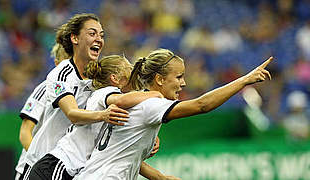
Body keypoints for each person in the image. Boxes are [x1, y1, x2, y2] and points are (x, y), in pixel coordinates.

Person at [75, 48, 274, 179]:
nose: (183, 83)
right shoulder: (151, 105)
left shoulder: (140, 101)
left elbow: (122, 156)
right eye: (178, 77)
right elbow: (202, 105)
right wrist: (244, 80)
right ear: (160, 80)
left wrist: (160, 177)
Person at [28, 54, 177, 180]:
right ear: (115, 78)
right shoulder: (106, 93)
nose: (133, 73)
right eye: (129, 69)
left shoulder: (116, 105)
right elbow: (121, 100)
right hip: (61, 165)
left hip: (72, 170)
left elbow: (124, 156)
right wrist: (155, 94)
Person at [21, 13, 129, 179]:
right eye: (92, 34)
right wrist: (103, 115)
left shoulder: (98, 78)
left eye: (101, 35)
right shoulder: (60, 74)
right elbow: (73, 114)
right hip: (44, 164)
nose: (99, 39)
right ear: (75, 38)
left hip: (75, 167)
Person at [15, 43, 70, 180]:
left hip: (58, 168)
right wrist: (39, 164)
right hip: (32, 168)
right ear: (57, 63)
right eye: (66, 61)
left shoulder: (80, 91)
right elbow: (24, 132)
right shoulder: (45, 89)